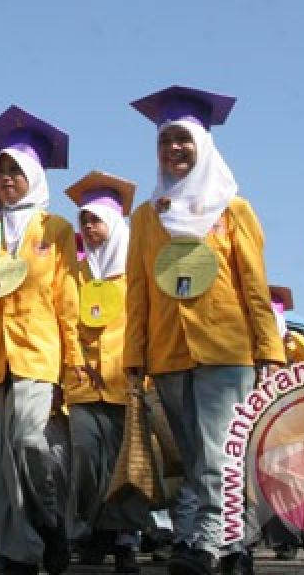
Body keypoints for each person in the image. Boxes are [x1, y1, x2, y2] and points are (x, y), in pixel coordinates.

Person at [122, 86, 286, 575]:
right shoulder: (148, 218)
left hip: (226, 348)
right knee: (195, 456)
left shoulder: (234, 211)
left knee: (220, 449)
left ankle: (207, 543)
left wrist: (269, 351)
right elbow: (137, 294)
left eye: (183, 139)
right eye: (165, 140)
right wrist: (135, 356)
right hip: (170, 354)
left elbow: (254, 286)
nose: (174, 149)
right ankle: (234, 545)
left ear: (203, 145)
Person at [0, 107, 85, 575]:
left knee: (29, 441)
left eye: (15, 170)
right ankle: (14, 553)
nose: (6, 178)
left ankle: (49, 523)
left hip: (37, 354)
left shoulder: (57, 230)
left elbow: (67, 299)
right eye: (0, 170)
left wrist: (74, 361)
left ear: (34, 176)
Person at [61, 171, 148, 573]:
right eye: (83, 221)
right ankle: (92, 531)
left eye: (95, 220)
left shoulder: (134, 270)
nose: (89, 228)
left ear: (113, 223)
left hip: (124, 382)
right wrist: (78, 361)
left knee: (125, 462)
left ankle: (126, 540)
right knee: (86, 456)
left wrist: (135, 367)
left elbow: (143, 321)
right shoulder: (75, 274)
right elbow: (64, 320)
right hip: (82, 384)